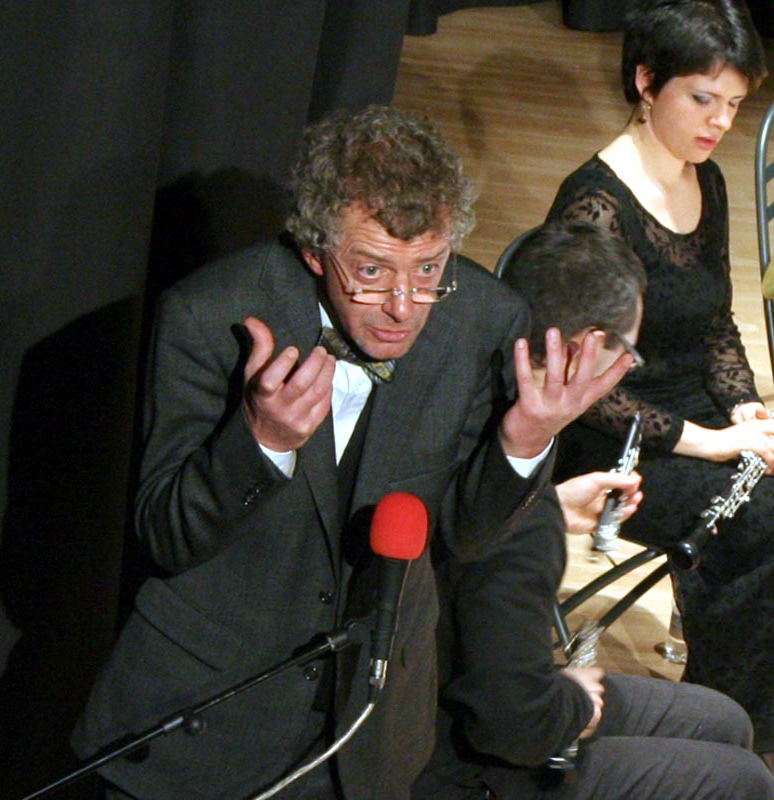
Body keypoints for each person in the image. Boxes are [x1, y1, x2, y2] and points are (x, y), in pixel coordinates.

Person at [69, 106, 631, 800]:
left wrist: (524, 443)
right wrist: (260, 443)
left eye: (429, 269)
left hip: (368, 736)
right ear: (314, 252)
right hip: (204, 729)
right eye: (371, 270)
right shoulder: (210, 315)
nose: (404, 305)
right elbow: (166, 535)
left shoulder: (483, 320)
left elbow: (463, 537)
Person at [412, 220, 774, 800]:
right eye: (628, 352)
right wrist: (575, 703)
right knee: (745, 779)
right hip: (454, 756)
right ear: (582, 349)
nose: (629, 368)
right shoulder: (515, 496)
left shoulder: (480, 410)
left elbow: (459, 552)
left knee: (726, 720)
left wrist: (552, 506)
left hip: (479, 684)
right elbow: (512, 724)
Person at [544, 0, 774, 766]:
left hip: (698, 417)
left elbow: (715, 323)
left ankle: (745, 699)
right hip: (613, 434)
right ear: (646, 82)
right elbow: (582, 382)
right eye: (703, 99)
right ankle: (728, 730)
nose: (721, 123)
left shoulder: (708, 179)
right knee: (764, 526)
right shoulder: (594, 206)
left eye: (734, 104)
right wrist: (714, 443)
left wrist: (748, 410)